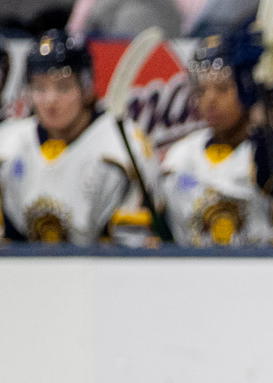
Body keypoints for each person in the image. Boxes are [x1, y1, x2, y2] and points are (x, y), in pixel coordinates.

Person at [0, 29, 160, 245]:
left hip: (100, 272)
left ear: (86, 88)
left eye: (63, 88)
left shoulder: (123, 143)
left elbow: (131, 248)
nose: (50, 100)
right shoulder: (8, 143)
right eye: (39, 88)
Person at [160, 26, 273, 246]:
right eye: (201, 91)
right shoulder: (180, 157)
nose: (210, 100)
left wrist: (264, 128)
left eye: (223, 88)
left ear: (247, 88)